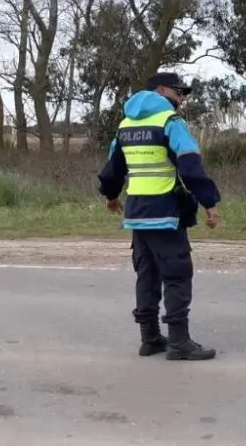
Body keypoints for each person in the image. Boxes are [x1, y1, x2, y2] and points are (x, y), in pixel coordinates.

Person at [98, 72, 221, 361]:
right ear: (162, 90)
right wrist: (209, 202)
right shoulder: (170, 123)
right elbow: (190, 166)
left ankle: (150, 338)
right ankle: (179, 343)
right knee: (177, 274)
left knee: (147, 275)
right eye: (179, 93)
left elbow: (113, 170)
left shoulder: (125, 126)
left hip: (137, 215)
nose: (182, 99)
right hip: (166, 212)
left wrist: (111, 197)